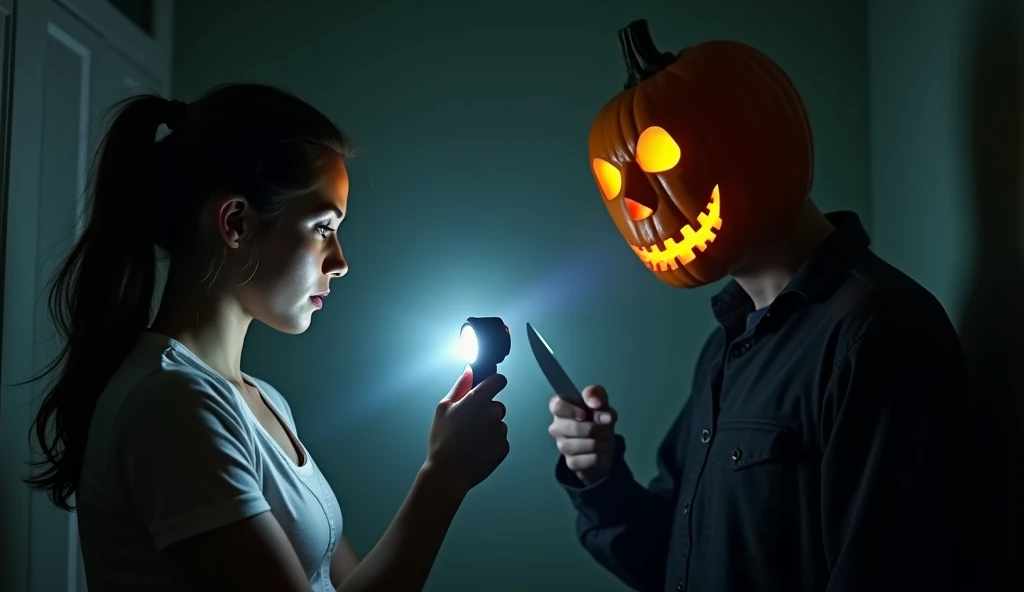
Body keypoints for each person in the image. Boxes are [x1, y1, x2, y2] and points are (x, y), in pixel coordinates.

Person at [25, 83, 510, 592]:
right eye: (323, 227)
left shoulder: (260, 400)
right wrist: (442, 480)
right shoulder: (173, 405)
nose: (340, 263)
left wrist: (444, 473)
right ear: (236, 222)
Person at [547, 200, 979, 591]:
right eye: (615, 184)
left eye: (663, 157)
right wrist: (600, 476)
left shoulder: (878, 331)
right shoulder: (723, 349)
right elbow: (676, 557)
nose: (639, 205)